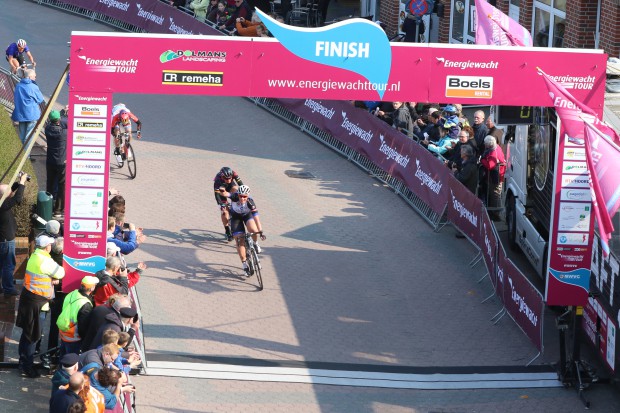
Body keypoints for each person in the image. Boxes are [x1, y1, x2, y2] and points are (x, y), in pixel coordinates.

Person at [16, 234, 65, 378]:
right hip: (39, 303)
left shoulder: (34, 257)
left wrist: (50, 278)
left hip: (29, 300)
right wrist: (54, 278)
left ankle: (22, 361)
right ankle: (28, 367)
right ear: (47, 247)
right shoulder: (45, 261)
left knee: (26, 334)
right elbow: (61, 272)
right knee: (33, 336)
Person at [219, 185, 266, 276]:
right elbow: (225, 194)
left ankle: (255, 243)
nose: (242, 198)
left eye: (245, 196)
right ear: (238, 195)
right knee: (240, 241)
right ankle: (244, 265)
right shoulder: (234, 196)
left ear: (248, 196)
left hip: (247, 216)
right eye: (241, 196)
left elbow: (257, 219)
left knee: (253, 229)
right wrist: (222, 190)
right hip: (236, 218)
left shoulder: (250, 202)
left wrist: (260, 232)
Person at [0, 172, 29, 297]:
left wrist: (17, 182)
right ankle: (8, 289)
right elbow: (17, 199)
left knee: (1, 265)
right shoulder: (3, 205)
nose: (10, 193)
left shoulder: (2, 202)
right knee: (8, 265)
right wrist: (22, 182)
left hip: (3, 239)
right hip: (6, 241)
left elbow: (9, 191)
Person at [57, 276, 99, 355]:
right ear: (92, 288)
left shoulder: (72, 293)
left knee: (64, 359)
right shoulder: (85, 304)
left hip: (63, 332)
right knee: (72, 362)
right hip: (73, 337)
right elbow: (82, 326)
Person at [11, 69, 44, 145]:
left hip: (20, 114)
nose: (35, 78)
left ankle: (21, 154)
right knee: (29, 136)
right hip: (31, 114)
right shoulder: (33, 87)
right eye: (35, 76)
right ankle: (26, 155)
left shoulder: (18, 86)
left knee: (22, 136)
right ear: (30, 77)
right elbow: (40, 99)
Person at [45, 110, 68, 217]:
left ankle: (48, 207)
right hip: (62, 162)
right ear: (59, 119)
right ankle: (58, 210)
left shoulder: (47, 129)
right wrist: (65, 113)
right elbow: (68, 123)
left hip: (50, 161)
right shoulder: (64, 133)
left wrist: (62, 112)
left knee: (50, 184)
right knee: (61, 185)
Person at [480, 136, 506, 220]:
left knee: (495, 195)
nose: (484, 145)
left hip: (495, 177)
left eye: (485, 143)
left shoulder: (493, 152)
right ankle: (494, 213)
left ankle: (496, 214)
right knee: (494, 195)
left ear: (488, 145)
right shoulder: (496, 147)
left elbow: (490, 165)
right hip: (495, 176)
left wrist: (482, 160)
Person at [214, 167, 244, 241]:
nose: (229, 180)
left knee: (236, 189)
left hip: (231, 186)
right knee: (224, 212)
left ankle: (236, 203)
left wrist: (243, 193)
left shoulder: (233, 173)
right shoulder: (217, 180)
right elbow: (217, 195)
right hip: (221, 190)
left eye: (230, 178)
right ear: (222, 177)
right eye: (227, 179)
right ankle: (227, 230)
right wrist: (221, 204)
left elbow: (241, 184)